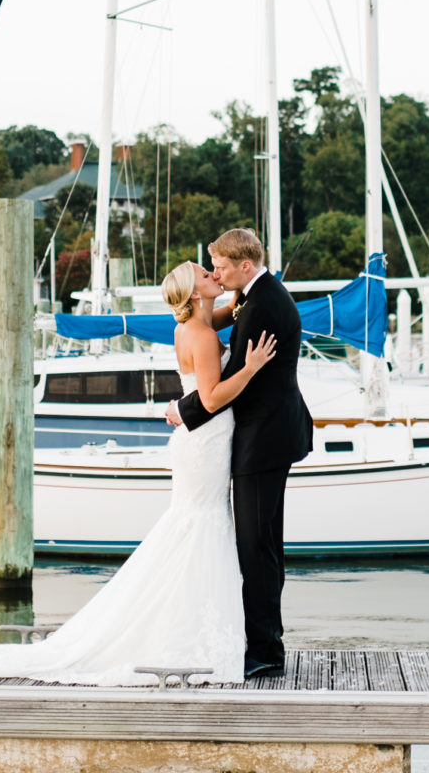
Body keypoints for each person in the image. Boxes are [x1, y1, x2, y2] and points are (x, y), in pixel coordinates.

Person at [0, 260, 277, 686]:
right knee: (202, 527)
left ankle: (192, 629)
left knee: (196, 528)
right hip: (205, 441)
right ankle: (193, 637)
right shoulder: (202, 336)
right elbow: (210, 398)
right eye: (205, 274)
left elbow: (226, 313)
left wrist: (248, 298)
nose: (213, 274)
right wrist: (252, 366)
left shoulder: (195, 323)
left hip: (203, 442)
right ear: (193, 293)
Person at [166, 227, 310, 681]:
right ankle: (260, 642)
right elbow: (215, 327)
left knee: (257, 546)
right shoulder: (254, 294)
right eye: (211, 270)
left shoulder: (263, 303)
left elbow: (216, 395)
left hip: (262, 440)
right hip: (252, 438)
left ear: (244, 266)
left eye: (222, 267)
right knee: (258, 544)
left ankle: (265, 649)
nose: (217, 273)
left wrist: (181, 409)